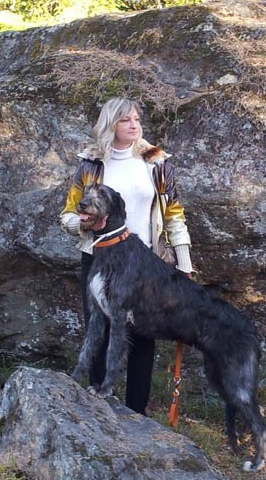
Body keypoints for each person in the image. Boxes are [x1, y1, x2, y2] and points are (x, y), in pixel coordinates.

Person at [60, 96, 193, 415]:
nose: (134, 125)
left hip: (146, 262)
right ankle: (97, 402)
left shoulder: (157, 162)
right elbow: (68, 213)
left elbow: (173, 214)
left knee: (143, 334)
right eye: (125, 120)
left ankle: (137, 411)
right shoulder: (91, 165)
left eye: (136, 119)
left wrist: (184, 263)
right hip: (100, 258)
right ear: (111, 125)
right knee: (99, 327)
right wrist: (83, 224)